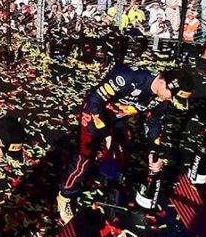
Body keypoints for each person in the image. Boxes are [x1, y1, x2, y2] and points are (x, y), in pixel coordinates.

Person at [56, 66, 194, 224]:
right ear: (165, 84)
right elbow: (94, 101)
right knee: (85, 158)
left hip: (117, 117)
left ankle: (109, 180)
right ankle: (65, 195)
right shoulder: (128, 78)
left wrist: (154, 152)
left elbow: (154, 123)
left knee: (122, 147)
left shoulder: (161, 100)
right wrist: (106, 133)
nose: (170, 100)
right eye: (172, 96)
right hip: (95, 114)